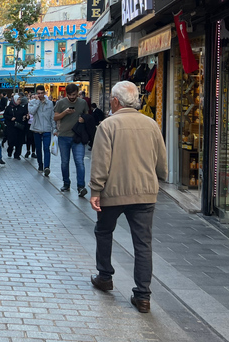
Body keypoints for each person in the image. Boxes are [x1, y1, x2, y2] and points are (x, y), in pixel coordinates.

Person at [89, 81, 167, 314]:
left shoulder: (108, 125)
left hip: (113, 192)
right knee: (143, 243)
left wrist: (96, 190)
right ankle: (143, 295)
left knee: (104, 231)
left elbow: (100, 162)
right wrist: (157, 178)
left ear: (115, 101)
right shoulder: (151, 124)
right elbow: (162, 162)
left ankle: (105, 276)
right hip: (145, 193)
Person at [54, 83, 90, 196]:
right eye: (69, 95)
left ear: (77, 93)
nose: (71, 97)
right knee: (64, 162)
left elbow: (88, 116)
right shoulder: (60, 103)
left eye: (74, 95)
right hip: (63, 136)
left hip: (77, 137)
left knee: (79, 162)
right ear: (66, 94)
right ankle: (66, 183)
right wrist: (65, 112)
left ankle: (81, 186)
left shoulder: (83, 103)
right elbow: (55, 117)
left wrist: (84, 120)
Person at [28, 85, 56, 175]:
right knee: (38, 149)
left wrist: (54, 128)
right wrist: (37, 102)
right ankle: (40, 165)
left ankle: (47, 167)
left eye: (41, 93)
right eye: (38, 93)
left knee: (46, 148)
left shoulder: (50, 103)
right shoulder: (32, 102)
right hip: (36, 129)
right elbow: (31, 112)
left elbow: (52, 117)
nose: (40, 95)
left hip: (47, 129)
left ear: (44, 93)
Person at [3, 94, 28, 159]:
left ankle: (17, 155)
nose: (19, 101)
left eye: (20, 99)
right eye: (18, 99)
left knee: (19, 142)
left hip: (20, 127)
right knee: (11, 141)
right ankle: (10, 151)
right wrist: (10, 118)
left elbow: (25, 114)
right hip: (11, 127)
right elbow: (5, 115)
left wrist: (25, 117)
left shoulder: (22, 107)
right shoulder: (9, 108)